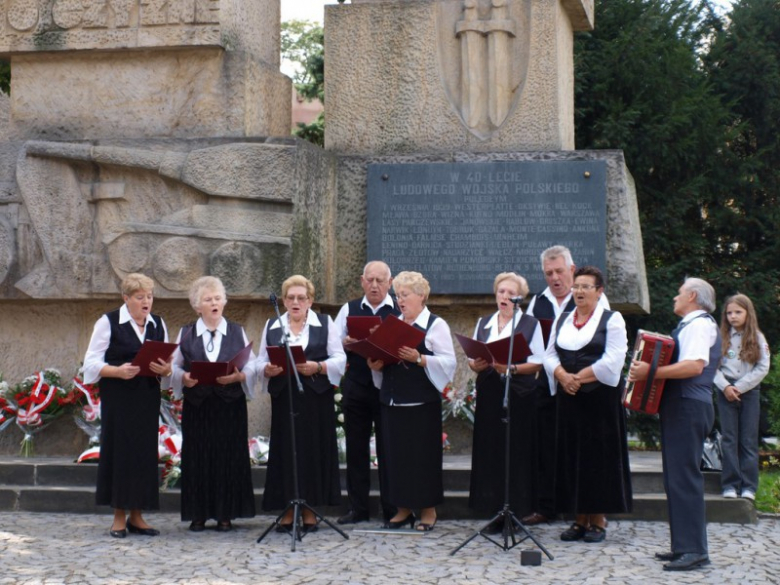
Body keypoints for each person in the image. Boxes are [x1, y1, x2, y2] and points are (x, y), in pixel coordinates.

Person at [629, 277, 721, 571]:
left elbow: (695, 365)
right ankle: (683, 545)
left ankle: (694, 550)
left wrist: (650, 372)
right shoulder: (691, 325)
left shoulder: (699, 325)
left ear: (692, 296)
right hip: (683, 406)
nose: (674, 298)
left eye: (679, 293)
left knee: (684, 479)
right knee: (675, 479)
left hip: (688, 406)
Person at [523, 245, 610, 525]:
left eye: (559, 271)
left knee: (584, 452)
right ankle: (547, 506)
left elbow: (603, 343)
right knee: (547, 449)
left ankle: (585, 512)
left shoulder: (595, 300)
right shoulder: (539, 302)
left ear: (571, 270)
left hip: (583, 387)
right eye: (549, 273)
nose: (555, 278)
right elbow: (538, 347)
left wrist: (575, 378)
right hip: (550, 384)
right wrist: (558, 374)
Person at [544, 266, 631, 544]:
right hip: (569, 400)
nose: (579, 292)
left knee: (598, 459)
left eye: (585, 287)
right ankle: (579, 519)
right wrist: (562, 376)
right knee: (572, 457)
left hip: (599, 401)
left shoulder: (612, 319)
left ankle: (598, 520)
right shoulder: (564, 319)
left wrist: (577, 378)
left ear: (599, 291)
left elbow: (613, 359)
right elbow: (549, 354)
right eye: (576, 286)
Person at [82, 273, 171, 538]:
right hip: (119, 398)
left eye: (150, 296)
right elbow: (90, 363)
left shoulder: (158, 324)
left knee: (143, 454)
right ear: (126, 299)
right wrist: (116, 371)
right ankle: (118, 517)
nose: (146, 302)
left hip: (146, 396)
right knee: (120, 453)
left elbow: (168, 365)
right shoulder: (108, 322)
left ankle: (138, 515)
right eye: (140, 297)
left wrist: (166, 368)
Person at [367, 271, 457, 532]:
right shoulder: (393, 323)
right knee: (397, 458)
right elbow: (382, 360)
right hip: (393, 401)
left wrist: (420, 358)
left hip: (421, 404)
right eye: (397, 296)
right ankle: (403, 509)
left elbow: (449, 362)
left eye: (405, 295)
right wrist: (376, 364)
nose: (400, 300)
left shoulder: (435, 325)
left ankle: (428, 510)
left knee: (422, 458)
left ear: (421, 296)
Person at [256, 275, 346, 532]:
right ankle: (287, 510)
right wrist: (267, 369)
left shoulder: (325, 323)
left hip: (315, 397)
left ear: (310, 301)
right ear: (284, 301)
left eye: (301, 298)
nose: (296, 302)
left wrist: (318, 366)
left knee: (312, 451)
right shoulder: (273, 325)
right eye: (291, 298)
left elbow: (340, 358)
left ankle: (309, 511)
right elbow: (258, 361)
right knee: (287, 450)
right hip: (285, 398)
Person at [170, 276, 257, 532]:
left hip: (229, 405)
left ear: (225, 302)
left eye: (218, 298)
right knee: (198, 457)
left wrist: (240, 375)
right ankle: (198, 514)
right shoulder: (186, 333)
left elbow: (252, 364)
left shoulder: (236, 330)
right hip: (199, 405)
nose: (214, 303)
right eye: (208, 299)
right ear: (198, 306)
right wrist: (183, 377)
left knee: (227, 457)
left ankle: (224, 514)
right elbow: (172, 368)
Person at [467, 272, 545, 533]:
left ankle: (518, 513)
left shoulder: (530, 325)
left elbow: (538, 362)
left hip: (519, 395)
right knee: (492, 452)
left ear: (519, 299)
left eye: (510, 294)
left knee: (516, 453)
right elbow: (473, 357)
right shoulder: (484, 322)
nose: (504, 297)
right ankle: (494, 511)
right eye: (501, 292)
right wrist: (474, 363)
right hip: (490, 394)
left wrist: (509, 367)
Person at [333, 261, 400, 524]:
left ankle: (392, 509)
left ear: (389, 283)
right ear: (362, 281)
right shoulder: (348, 309)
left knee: (388, 450)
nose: (374, 285)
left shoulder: (398, 310)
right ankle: (358, 509)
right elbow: (333, 345)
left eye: (380, 281)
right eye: (370, 280)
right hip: (357, 387)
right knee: (356, 450)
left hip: (388, 388)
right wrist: (345, 343)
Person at [713, 294, 770, 501]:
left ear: (748, 313)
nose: (733, 316)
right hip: (725, 391)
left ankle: (749, 487)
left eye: (738, 312)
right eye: (729, 313)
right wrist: (726, 386)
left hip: (748, 391)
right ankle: (730, 484)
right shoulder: (720, 337)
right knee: (729, 439)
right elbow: (712, 367)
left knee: (747, 439)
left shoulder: (757, 337)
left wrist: (740, 387)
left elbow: (763, 367)